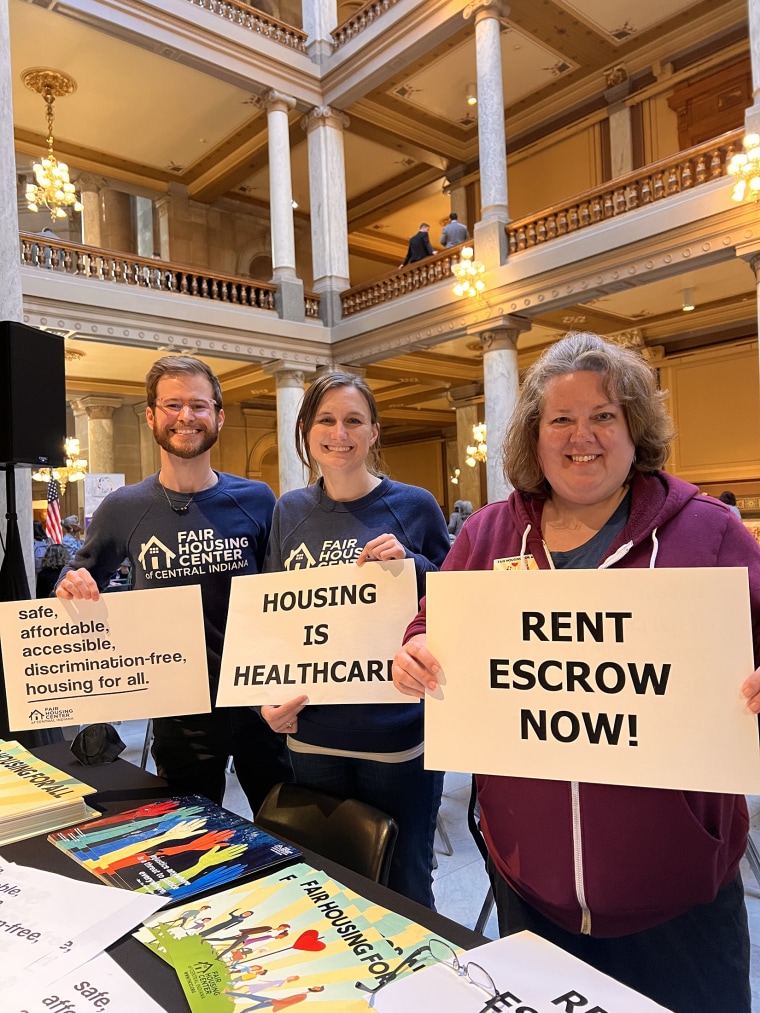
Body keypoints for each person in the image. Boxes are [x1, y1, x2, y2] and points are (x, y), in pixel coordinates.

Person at [392, 332, 760, 1013]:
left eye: (603, 416)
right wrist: (414, 651)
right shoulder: (488, 536)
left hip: (678, 898)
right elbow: (429, 625)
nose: (580, 436)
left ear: (635, 429)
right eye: (561, 418)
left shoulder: (707, 532)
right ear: (535, 435)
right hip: (530, 888)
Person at [55, 355, 290, 811]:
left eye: (199, 406)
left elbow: (283, 593)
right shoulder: (124, 506)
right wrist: (72, 588)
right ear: (151, 416)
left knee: (284, 829)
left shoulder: (257, 499)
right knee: (194, 840)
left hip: (260, 696)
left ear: (218, 416)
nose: (187, 417)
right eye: (173, 405)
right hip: (178, 707)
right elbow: (77, 577)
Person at [260, 371, 451, 907]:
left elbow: (456, 598)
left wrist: (410, 565)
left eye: (353, 421)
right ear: (305, 430)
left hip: (396, 732)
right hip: (313, 731)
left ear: (373, 433)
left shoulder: (414, 505)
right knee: (330, 883)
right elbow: (275, 615)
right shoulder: (289, 511)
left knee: (407, 881)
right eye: (326, 420)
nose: (338, 433)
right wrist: (265, 697)